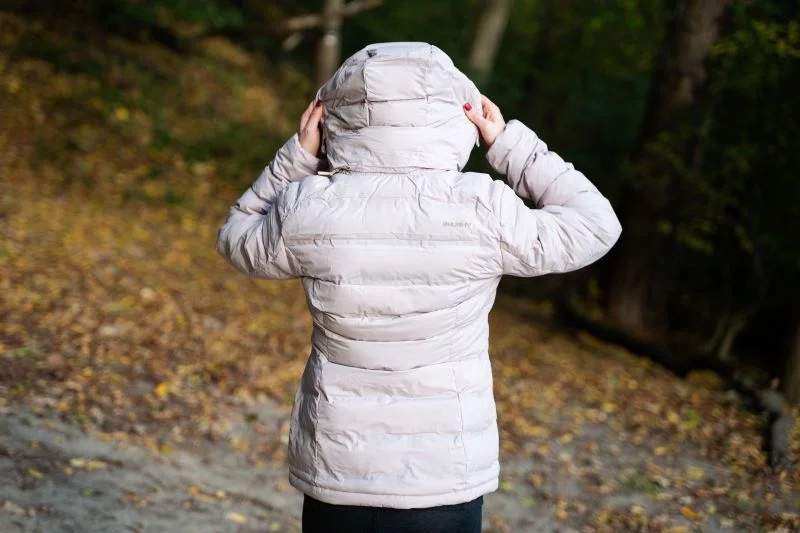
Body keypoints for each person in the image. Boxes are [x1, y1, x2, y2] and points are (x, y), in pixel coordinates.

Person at [216, 42, 621, 533]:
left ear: (333, 117)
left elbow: (236, 235)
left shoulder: (308, 206)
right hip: (443, 475)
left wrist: (296, 158)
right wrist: (509, 145)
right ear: (459, 114)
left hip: (338, 471)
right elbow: (596, 226)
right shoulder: (483, 208)